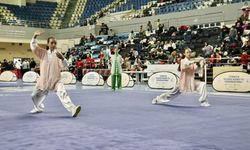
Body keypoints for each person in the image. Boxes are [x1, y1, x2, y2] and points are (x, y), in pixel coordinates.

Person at [30, 31, 81, 117]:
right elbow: (34, 47)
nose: (53, 45)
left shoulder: (58, 54)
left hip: (56, 80)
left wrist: (63, 59)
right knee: (33, 96)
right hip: (43, 81)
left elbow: (66, 66)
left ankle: (73, 109)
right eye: (52, 43)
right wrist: (34, 36)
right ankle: (38, 107)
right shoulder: (43, 53)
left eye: (55, 43)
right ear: (48, 44)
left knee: (63, 93)